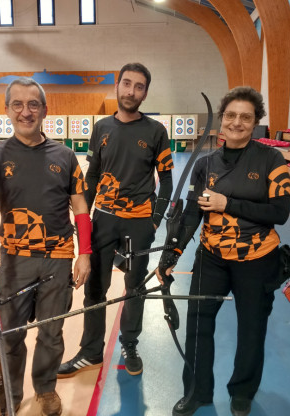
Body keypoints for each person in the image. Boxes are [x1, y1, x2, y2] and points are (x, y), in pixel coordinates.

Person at [156, 86, 290, 416]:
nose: (237, 122)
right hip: (212, 258)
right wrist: (171, 254)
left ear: (255, 122)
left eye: (246, 117)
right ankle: (197, 392)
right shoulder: (205, 164)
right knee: (198, 325)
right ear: (222, 119)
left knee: (252, 328)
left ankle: (242, 391)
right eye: (231, 115)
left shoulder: (271, 159)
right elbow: (192, 212)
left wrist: (227, 204)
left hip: (257, 259)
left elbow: (280, 213)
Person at [0, 77, 91, 416]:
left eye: (33, 104)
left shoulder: (65, 156)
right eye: (17, 104)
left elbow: (80, 208)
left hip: (58, 259)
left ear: (45, 110)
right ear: (7, 110)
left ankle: (45, 389)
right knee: (9, 336)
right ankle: (9, 398)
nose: (26, 111)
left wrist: (85, 254)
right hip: (15, 261)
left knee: (52, 332)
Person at [58, 63, 174, 378]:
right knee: (95, 288)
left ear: (145, 93)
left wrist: (154, 221)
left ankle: (130, 345)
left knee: (134, 288)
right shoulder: (101, 128)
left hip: (139, 223)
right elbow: (92, 177)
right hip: (103, 222)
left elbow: (166, 180)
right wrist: (84, 217)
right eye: (127, 83)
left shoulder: (156, 131)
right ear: (117, 85)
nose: (131, 91)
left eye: (139, 86)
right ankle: (91, 352)